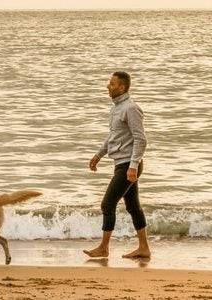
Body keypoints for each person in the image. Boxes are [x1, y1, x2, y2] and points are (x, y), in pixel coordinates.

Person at [83, 71, 151, 259]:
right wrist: (99, 154)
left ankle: (104, 248)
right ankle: (144, 248)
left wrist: (133, 165)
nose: (108, 86)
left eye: (112, 84)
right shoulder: (116, 109)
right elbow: (114, 136)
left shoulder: (131, 108)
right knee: (133, 207)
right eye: (109, 83)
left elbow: (141, 139)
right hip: (121, 162)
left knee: (107, 204)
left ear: (122, 87)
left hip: (129, 164)